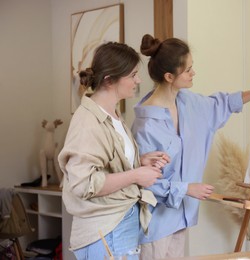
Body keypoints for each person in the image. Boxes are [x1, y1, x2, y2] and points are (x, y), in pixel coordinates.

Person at [131, 34, 250, 259]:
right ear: (169, 76)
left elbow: (222, 103)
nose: (193, 73)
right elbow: (146, 182)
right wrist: (187, 189)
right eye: (188, 70)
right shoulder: (145, 125)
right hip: (154, 223)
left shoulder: (188, 103)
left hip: (180, 217)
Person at [58, 42, 169, 260]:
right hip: (105, 231)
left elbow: (109, 166)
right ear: (110, 79)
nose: (138, 81)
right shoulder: (88, 122)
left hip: (119, 223)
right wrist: (136, 175)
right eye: (133, 75)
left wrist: (140, 162)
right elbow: (84, 183)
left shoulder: (112, 114)